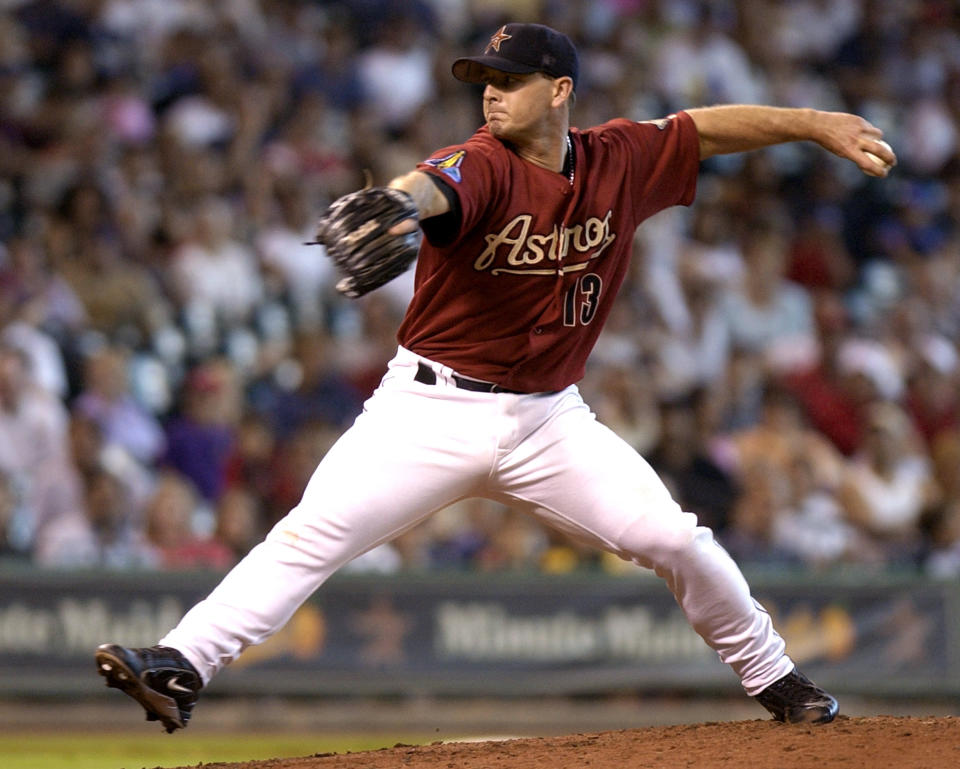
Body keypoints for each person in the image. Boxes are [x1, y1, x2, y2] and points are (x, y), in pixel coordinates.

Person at [95, 22, 897, 732]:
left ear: (560, 91)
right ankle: (180, 663)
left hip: (550, 420)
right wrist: (401, 205)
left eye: (509, 81)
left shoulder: (619, 158)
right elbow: (435, 184)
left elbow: (703, 131)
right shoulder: (479, 162)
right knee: (308, 537)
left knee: (672, 537)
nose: (491, 95)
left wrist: (812, 123)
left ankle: (778, 679)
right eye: (485, 81)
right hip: (426, 410)